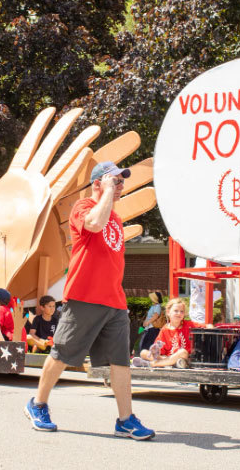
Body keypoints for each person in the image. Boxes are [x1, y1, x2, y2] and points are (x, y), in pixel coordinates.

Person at [25, 161, 155, 440]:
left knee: (120, 361)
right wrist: (107, 191)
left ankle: (125, 419)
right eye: (115, 181)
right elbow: (95, 224)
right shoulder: (83, 208)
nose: (120, 186)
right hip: (84, 296)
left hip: (115, 301)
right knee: (62, 354)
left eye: (122, 182)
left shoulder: (117, 219)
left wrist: (110, 191)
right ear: (98, 183)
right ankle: (38, 404)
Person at [132, 297, 191, 368]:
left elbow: (205, 326)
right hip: (167, 357)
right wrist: (155, 350)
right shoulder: (165, 329)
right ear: (168, 312)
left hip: (183, 357)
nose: (179, 313)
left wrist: (208, 325)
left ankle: (152, 364)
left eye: (182, 311)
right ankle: (170, 363)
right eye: (176, 311)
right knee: (143, 352)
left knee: (183, 352)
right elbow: (158, 349)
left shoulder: (190, 325)